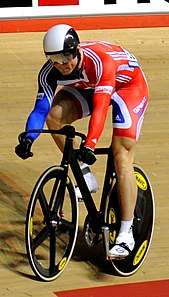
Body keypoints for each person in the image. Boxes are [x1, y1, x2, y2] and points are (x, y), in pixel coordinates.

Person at [15, 24, 149, 259]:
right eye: (54, 59)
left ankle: (126, 233)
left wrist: (91, 145)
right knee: (54, 115)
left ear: (76, 50)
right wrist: (28, 137)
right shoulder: (49, 72)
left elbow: (100, 109)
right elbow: (40, 109)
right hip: (90, 86)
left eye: (65, 56)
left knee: (121, 155)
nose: (61, 64)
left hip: (128, 86)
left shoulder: (100, 61)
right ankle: (85, 175)